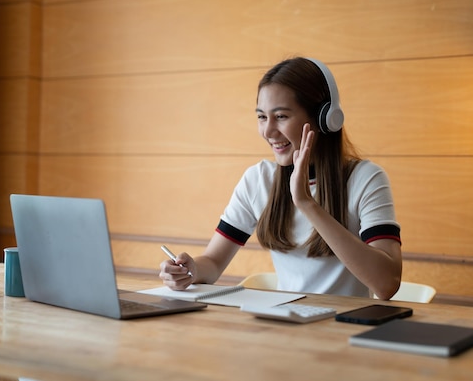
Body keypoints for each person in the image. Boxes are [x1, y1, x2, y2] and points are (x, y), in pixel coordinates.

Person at [159, 57, 402, 300]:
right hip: (286, 324)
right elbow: (213, 262)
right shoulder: (258, 179)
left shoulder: (366, 179)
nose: (268, 131)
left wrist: (307, 204)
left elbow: (386, 284)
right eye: (262, 117)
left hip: (345, 328)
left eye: (281, 116)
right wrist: (190, 270)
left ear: (324, 119)